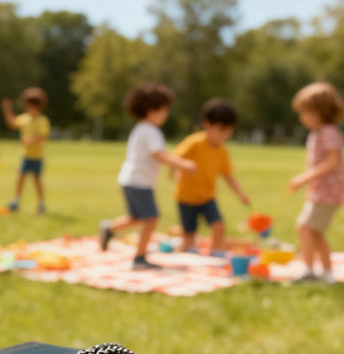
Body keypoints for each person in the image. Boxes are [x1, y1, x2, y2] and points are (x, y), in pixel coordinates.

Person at [98, 82, 196, 270]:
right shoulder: (150, 131)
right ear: (152, 110)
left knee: (136, 217)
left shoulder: (142, 128)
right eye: (164, 109)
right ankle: (140, 258)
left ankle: (109, 229)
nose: (166, 114)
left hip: (132, 180)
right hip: (139, 182)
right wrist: (183, 164)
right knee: (151, 218)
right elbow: (158, 154)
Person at [172, 99, 250, 257]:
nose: (225, 135)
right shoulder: (195, 143)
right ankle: (175, 255)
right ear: (207, 124)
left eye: (229, 131)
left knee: (218, 225)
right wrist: (182, 166)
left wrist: (240, 194)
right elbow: (174, 158)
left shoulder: (222, 151)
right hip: (186, 198)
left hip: (207, 197)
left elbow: (228, 175)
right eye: (222, 129)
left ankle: (214, 254)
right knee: (189, 238)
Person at [288, 82, 344, 283]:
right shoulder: (319, 133)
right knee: (314, 231)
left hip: (329, 192)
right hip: (322, 191)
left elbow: (332, 162)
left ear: (318, 112)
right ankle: (328, 273)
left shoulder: (329, 132)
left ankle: (308, 270)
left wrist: (303, 178)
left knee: (304, 227)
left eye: (304, 112)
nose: (301, 117)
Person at [1, 87, 50, 214]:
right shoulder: (24, 118)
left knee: (37, 180)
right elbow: (12, 123)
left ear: (39, 106)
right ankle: (16, 201)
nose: (31, 109)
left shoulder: (42, 120)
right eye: (29, 106)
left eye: (34, 106)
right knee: (21, 178)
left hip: (37, 156)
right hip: (26, 156)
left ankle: (41, 204)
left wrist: (29, 141)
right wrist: (7, 109)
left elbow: (43, 137)